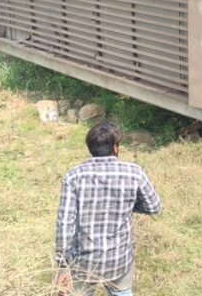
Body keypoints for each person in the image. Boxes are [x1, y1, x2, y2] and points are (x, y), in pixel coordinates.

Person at [55, 122, 161, 296]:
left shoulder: (73, 176)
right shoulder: (134, 172)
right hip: (119, 261)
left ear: (89, 148)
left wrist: (62, 266)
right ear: (115, 147)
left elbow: (65, 224)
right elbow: (154, 206)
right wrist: (128, 205)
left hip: (83, 262)